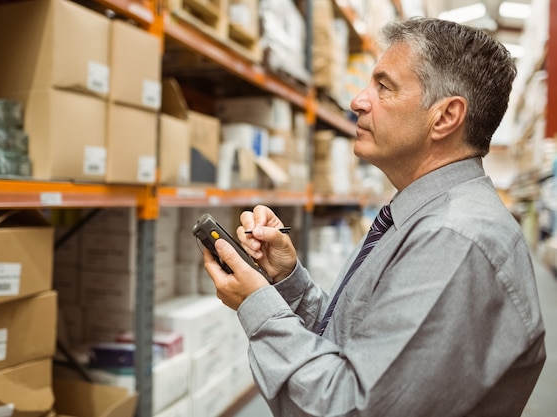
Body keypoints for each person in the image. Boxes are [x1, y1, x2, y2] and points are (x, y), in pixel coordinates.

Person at [202, 17, 546, 417]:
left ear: (446, 117)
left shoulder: (454, 239)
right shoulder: (424, 217)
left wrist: (257, 305)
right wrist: (286, 281)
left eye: (384, 87)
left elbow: (349, 406)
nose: (358, 101)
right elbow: (356, 343)